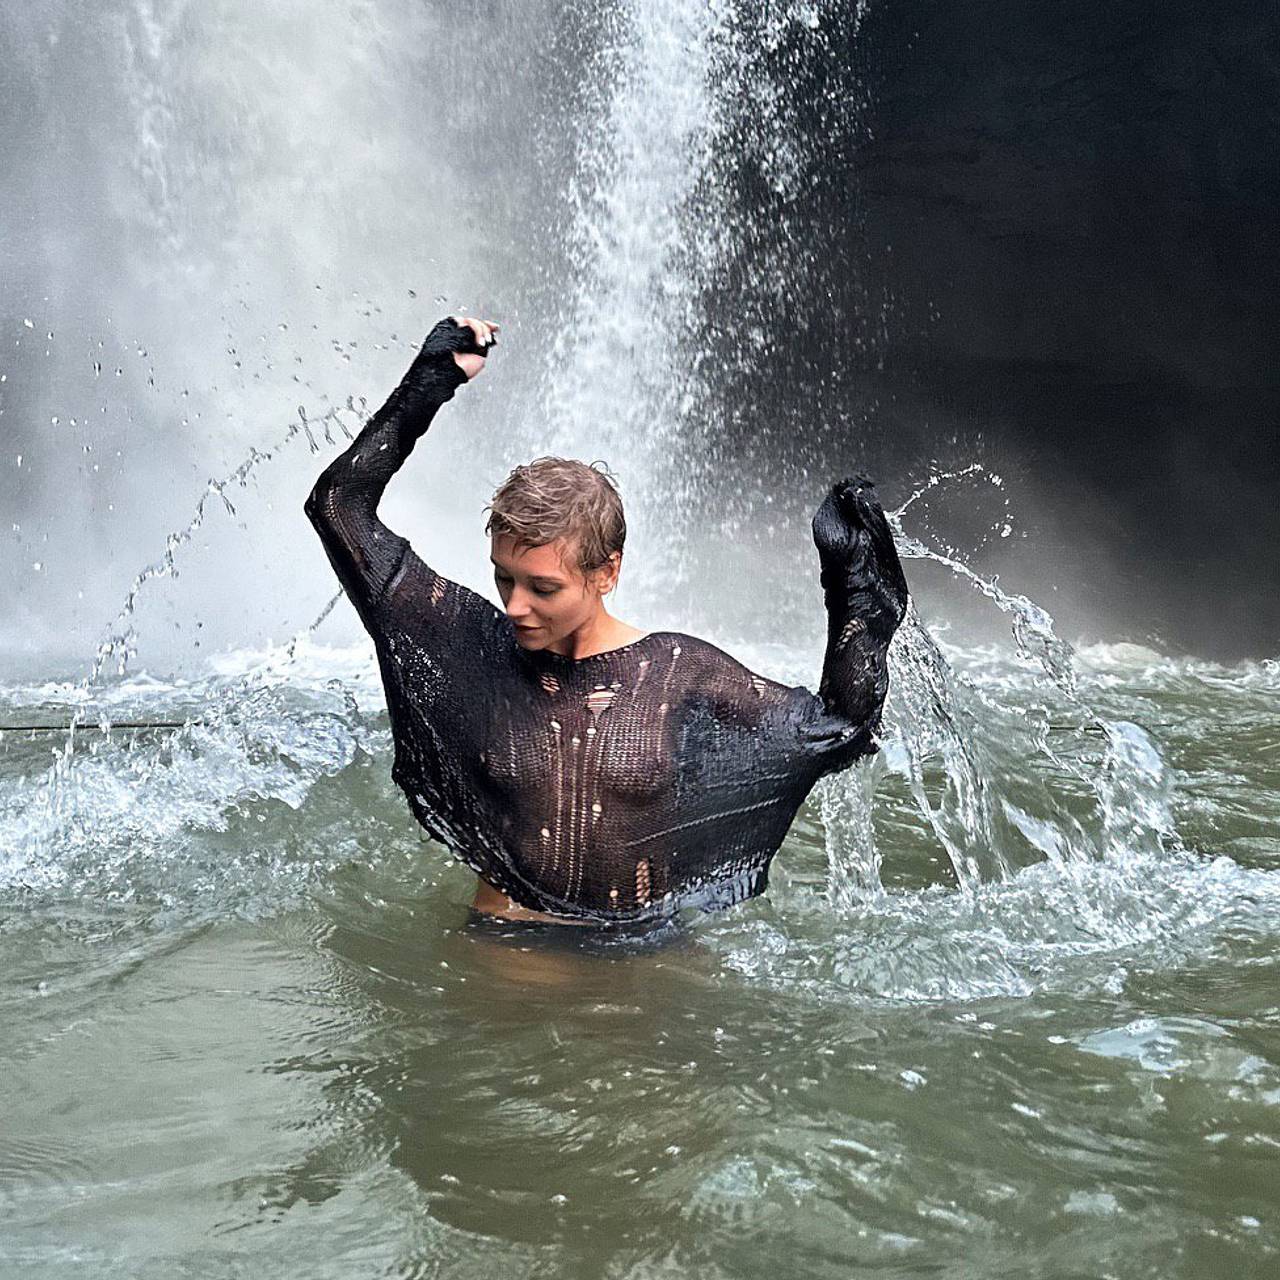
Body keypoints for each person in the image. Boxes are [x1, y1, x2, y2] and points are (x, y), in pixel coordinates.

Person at [305, 315, 908, 927]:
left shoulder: (680, 672)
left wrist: (855, 591)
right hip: (506, 948)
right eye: (504, 578)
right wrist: (431, 380)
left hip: (642, 958)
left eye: (544, 588)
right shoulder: (467, 642)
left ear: (606, 572)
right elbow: (336, 505)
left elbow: (838, 729)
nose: (515, 606)